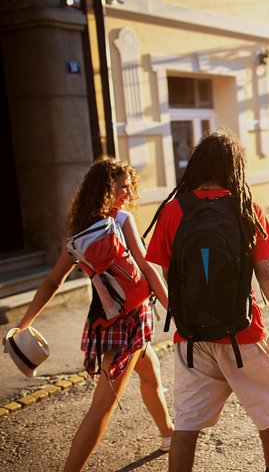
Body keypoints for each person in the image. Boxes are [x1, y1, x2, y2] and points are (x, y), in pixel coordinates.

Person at [4, 157, 174, 471]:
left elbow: (53, 280)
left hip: (107, 321)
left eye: (128, 185)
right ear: (104, 189)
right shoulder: (121, 221)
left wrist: (23, 324)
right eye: (120, 186)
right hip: (130, 322)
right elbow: (147, 266)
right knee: (102, 408)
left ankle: (168, 436)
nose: (127, 192)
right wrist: (174, 311)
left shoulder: (76, 233)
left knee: (150, 373)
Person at [145, 132, 269, 472]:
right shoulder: (246, 208)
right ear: (235, 168)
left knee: (186, 425)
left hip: (191, 338)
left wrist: (189, 315)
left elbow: (169, 272)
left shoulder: (173, 211)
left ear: (197, 165)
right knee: (267, 405)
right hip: (243, 330)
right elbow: (267, 274)